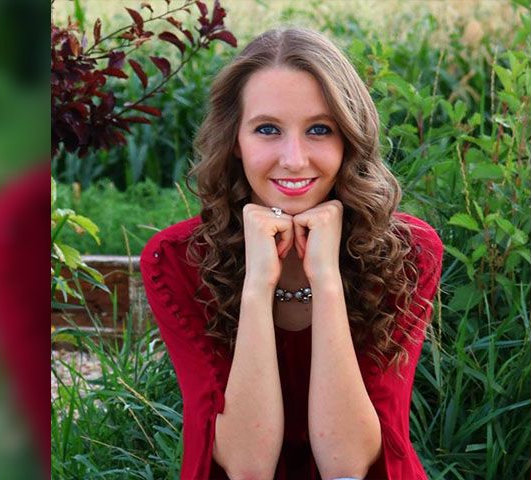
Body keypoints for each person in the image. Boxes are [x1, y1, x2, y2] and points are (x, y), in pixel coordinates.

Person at [140, 27, 442, 480]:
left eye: (320, 129)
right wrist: (258, 285)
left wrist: (325, 279)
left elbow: (347, 466)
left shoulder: (409, 253)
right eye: (267, 129)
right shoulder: (177, 261)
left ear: (349, 139)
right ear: (235, 140)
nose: (295, 159)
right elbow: (246, 467)